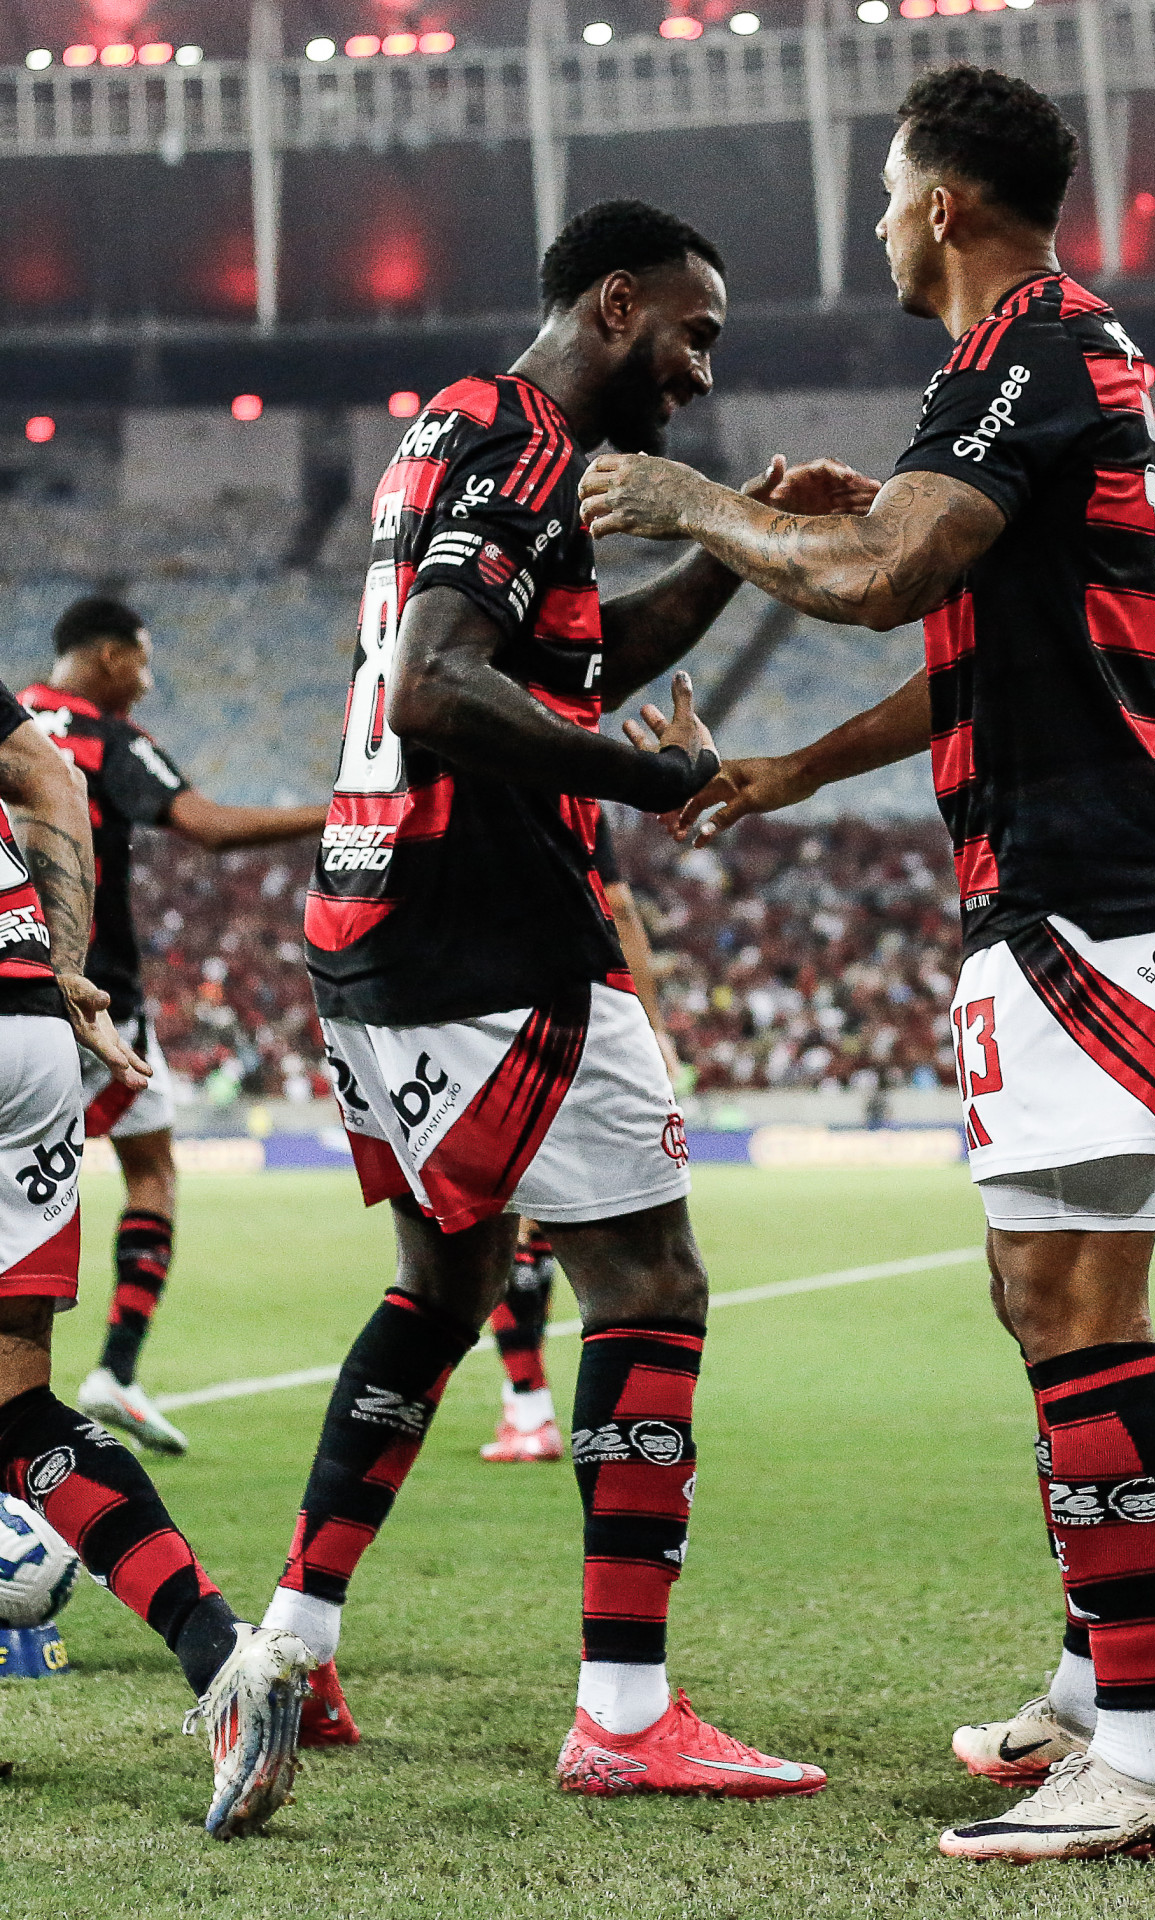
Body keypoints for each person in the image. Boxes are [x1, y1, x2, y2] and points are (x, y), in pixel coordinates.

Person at [578, 70, 1155, 1863]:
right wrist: (792, 770)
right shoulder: (1017, 367)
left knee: (1080, 1309)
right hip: (1070, 884)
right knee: (1037, 1301)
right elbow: (964, 628)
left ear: (944, 204)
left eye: (889, 195)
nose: (877, 224)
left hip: (1094, 887)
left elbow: (884, 575)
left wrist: (695, 502)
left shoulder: (1031, 347)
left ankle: (1150, 1758)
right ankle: (1097, 1686)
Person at [265, 199, 874, 1790]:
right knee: (650, 1286)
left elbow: (566, 664)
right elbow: (439, 688)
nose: (698, 374)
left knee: (446, 1294)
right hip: (496, 936)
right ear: (618, 303)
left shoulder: (455, 437)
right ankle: (621, 1717)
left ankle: (293, 1648)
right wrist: (646, 780)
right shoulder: (528, 454)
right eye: (694, 335)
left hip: (369, 923)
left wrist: (735, 537)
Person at [0, 678, 310, 1836]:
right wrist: (68, 964)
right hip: (31, 1021)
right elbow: (50, 775)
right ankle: (224, 1660)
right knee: (17, 1408)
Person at [19, 601, 327, 1455]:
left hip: (11, 972)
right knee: (149, 1171)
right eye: (145, 663)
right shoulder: (102, 737)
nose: (147, 682)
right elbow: (209, 827)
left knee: (120, 1160)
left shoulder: (13, 719)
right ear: (111, 655)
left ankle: (105, 1376)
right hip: (91, 994)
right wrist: (341, 814)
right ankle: (109, 1369)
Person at [481, 809, 681, 1466]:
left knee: (511, 1219)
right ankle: (632, 1417)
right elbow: (618, 906)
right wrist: (651, 1028)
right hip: (590, 1014)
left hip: (490, 1016)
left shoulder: (460, 778)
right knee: (590, 1225)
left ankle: (529, 1409)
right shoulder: (566, 788)